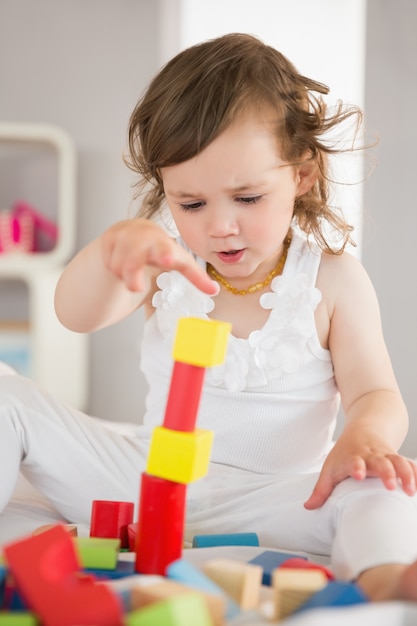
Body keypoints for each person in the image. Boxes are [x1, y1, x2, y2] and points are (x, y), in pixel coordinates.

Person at [1, 33, 417, 603]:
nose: (220, 226)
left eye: (247, 198)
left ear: (302, 175)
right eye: (191, 204)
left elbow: (376, 393)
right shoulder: (165, 259)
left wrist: (365, 438)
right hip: (146, 480)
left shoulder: (333, 280)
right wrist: (109, 255)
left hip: (276, 497)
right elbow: (75, 316)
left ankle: (387, 577)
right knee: (7, 397)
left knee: (389, 487)